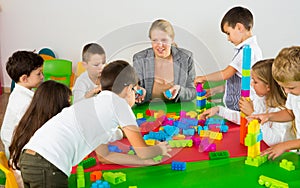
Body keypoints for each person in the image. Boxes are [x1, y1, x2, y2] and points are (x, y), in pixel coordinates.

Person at [18, 60, 172, 187]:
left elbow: (106, 156)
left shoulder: (93, 106)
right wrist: (159, 149)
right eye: (135, 90)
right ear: (127, 89)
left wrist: (145, 162)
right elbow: (142, 151)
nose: (135, 95)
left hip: (29, 159)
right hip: (49, 164)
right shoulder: (119, 104)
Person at [199, 59, 295, 146]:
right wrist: (218, 110)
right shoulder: (260, 99)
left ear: (268, 86)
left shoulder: (282, 110)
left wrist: (252, 114)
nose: (251, 84)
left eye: (255, 82)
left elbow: (274, 141)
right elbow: (244, 119)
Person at [194, 6, 262, 111]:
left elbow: (226, 74)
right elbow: (237, 81)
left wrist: (203, 78)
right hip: (240, 107)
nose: (228, 38)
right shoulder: (249, 48)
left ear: (239, 27)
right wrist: (216, 90)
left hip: (242, 109)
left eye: (228, 33)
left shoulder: (247, 51)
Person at [8, 80, 71, 188]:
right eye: (68, 102)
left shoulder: (29, 121)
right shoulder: (46, 130)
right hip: (30, 177)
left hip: (23, 174)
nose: (69, 106)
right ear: (57, 106)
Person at [250, 46, 300, 160]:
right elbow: (290, 113)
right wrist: (268, 117)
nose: (287, 92)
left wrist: (284, 146)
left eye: (291, 87)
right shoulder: (294, 94)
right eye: (283, 88)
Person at [133, 19, 196, 103]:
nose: (159, 45)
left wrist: (180, 91)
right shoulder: (139, 59)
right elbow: (134, 89)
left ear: (172, 39)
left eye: (164, 40)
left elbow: (193, 91)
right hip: (148, 110)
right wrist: (137, 92)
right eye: (155, 40)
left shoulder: (186, 58)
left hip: (179, 111)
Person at [1, 51, 44, 158]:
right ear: (24, 78)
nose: (42, 77)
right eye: (39, 73)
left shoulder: (23, 92)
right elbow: (31, 128)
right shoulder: (22, 101)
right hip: (17, 148)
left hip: (18, 141)